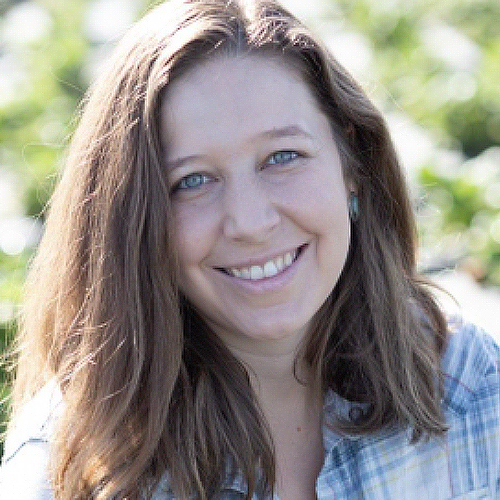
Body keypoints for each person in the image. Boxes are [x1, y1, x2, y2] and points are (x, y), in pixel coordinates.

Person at [1, 0, 499, 498]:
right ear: (134, 220)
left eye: (283, 157)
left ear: (351, 161)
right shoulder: (70, 476)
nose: (250, 223)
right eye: (192, 181)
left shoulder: (469, 386)